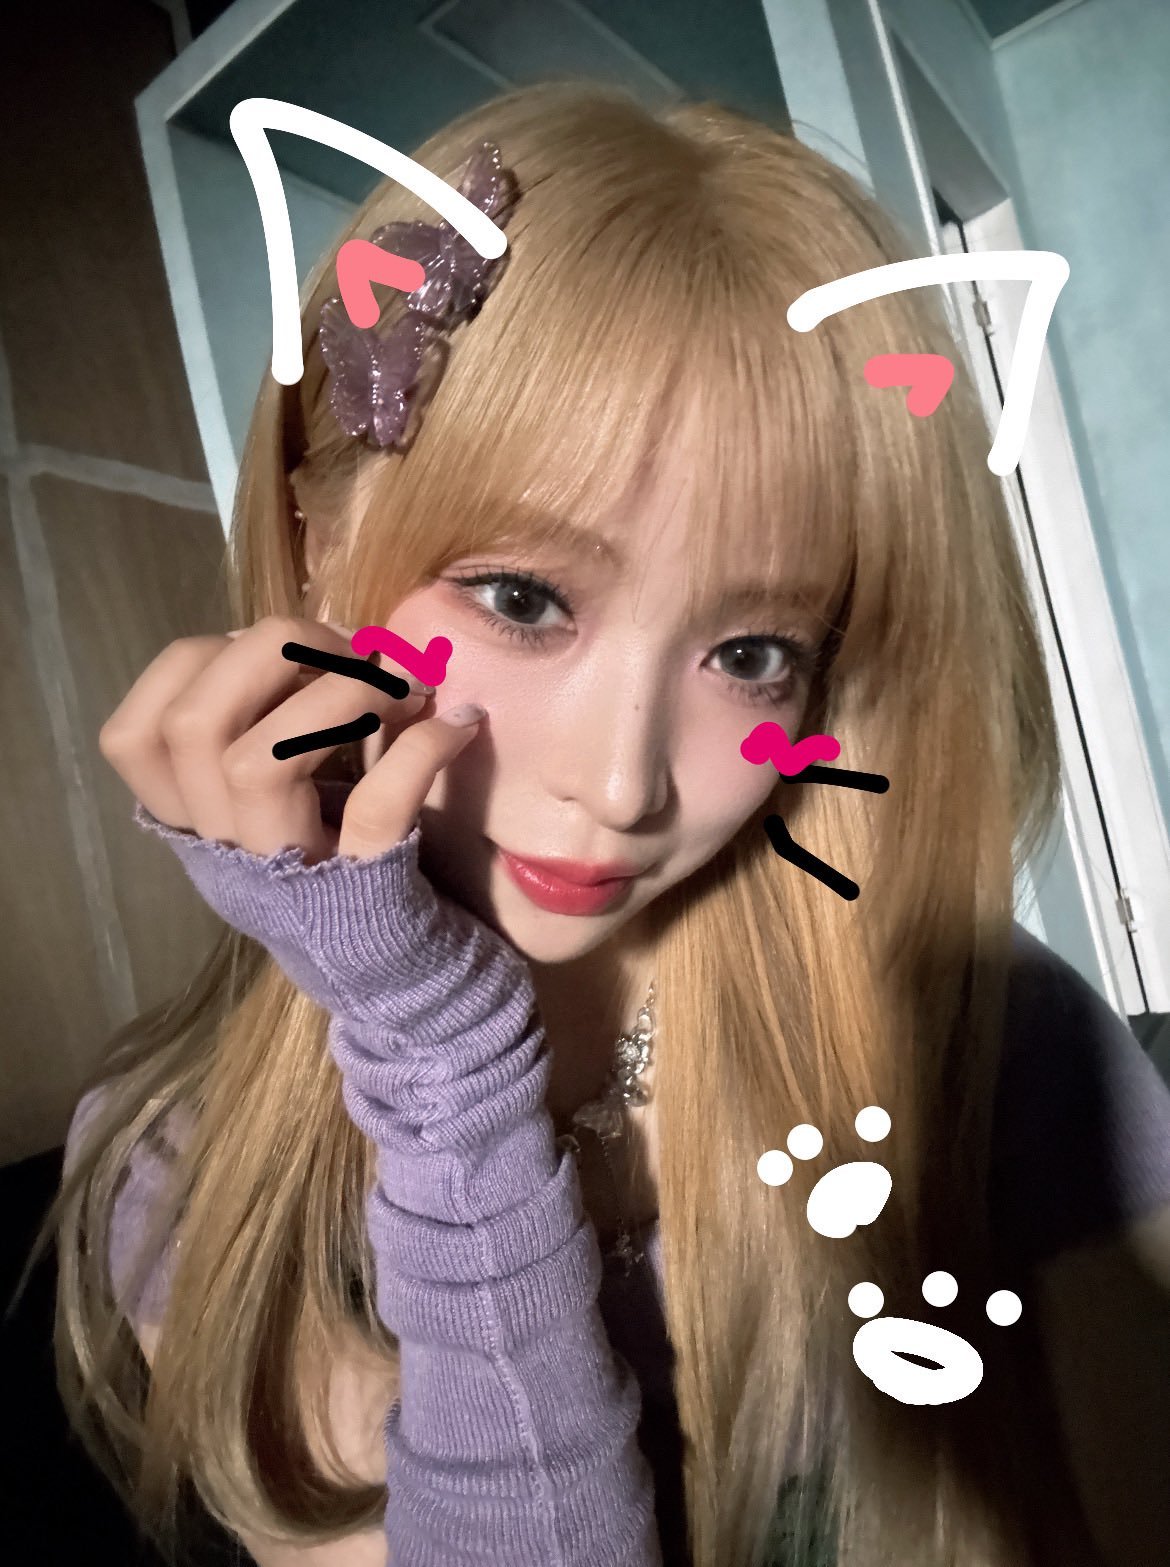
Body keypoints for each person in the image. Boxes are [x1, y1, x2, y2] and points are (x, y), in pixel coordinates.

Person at [21, 78, 1170, 1567]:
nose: (625, 787)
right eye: (522, 598)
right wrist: (440, 1061)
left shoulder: (978, 1033)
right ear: (320, 552)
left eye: (749, 651)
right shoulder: (196, 1165)